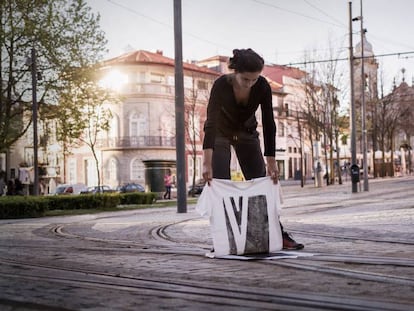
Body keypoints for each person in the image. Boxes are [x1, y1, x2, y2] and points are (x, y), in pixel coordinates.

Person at [202, 48, 304, 250]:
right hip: (220, 134)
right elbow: (211, 122)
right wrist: (206, 163)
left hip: (247, 133)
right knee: (221, 184)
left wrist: (271, 161)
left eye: (254, 80)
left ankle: (276, 234)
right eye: (245, 80)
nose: (250, 84)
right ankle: (226, 239)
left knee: (261, 183)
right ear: (235, 72)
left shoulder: (263, 87)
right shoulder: (221, 85)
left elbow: (268, 122)